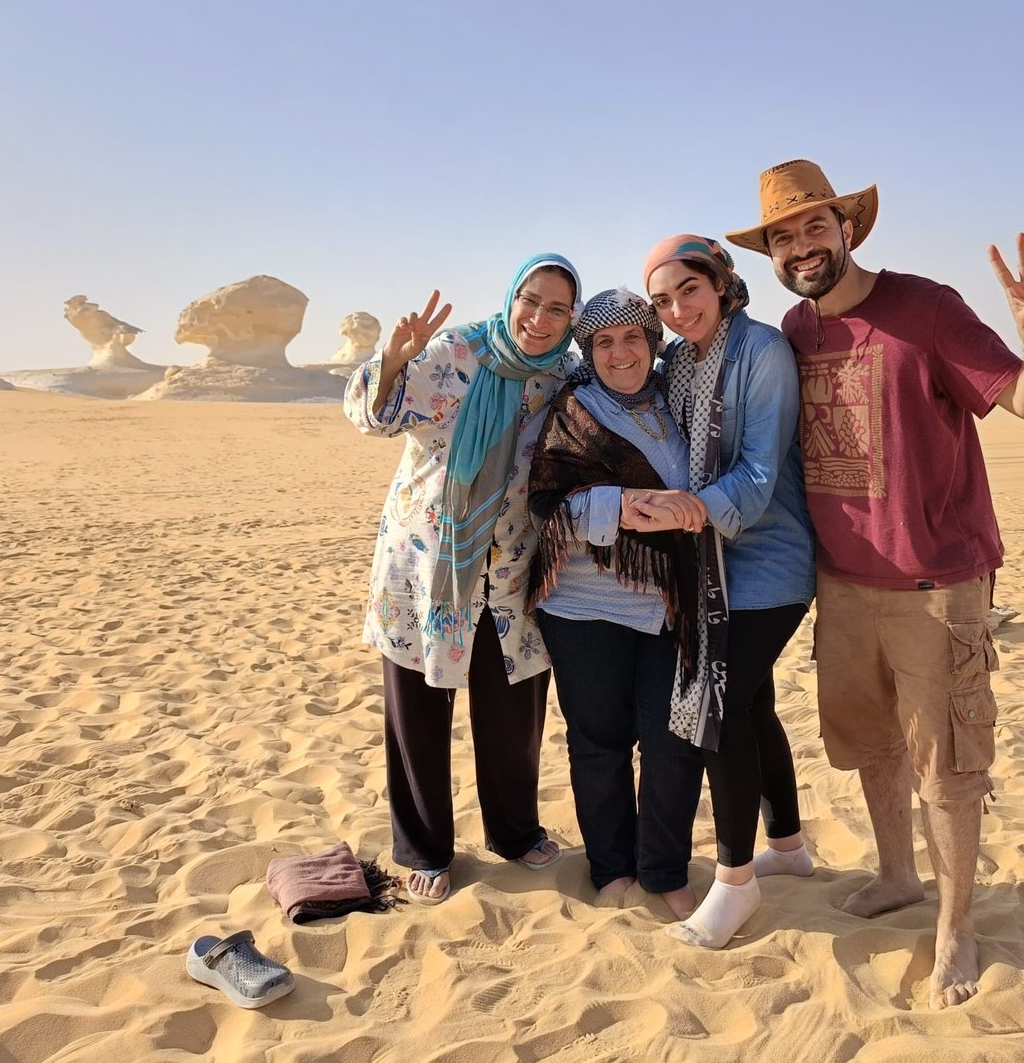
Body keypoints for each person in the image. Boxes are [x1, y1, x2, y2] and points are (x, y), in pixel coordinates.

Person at [727, 159, 1024, 1008]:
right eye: (782, 237)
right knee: (872, 743)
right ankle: (896, 874)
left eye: (815, 226)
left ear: (847, 228)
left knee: (947, 765)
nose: (801, 246)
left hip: (937, 584)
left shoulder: (927, 308)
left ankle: (957, 925)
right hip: (840, 584)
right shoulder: (794, 331)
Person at [342, 254, 582, 905]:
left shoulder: (563, 373)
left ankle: (514, 831)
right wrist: (392, 360)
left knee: (515, 710)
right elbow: (372, 417)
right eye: (531, 300)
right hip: (428, 565)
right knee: (416, 711)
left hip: (512, 569)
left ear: (571, 319)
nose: (540, 318)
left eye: (558, 309)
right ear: (512, 298)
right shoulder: (455, 352)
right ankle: (423, 847)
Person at [637, 235, 817, 949]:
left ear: (720, 283)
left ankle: (736, 881)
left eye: (690, 290)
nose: (679, 310)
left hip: (769, 558)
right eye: (662, 301)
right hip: (707, 558)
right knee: (753, 704)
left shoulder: (762, 351)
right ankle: (789, 846)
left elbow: (759, 472)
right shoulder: (678, 362)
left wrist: (686, 509)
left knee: (722, 706)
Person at [526, 289, 708, 919]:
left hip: (666, 604)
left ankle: (664, 870)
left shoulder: (679, 402)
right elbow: (546, 502)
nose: (619, 352)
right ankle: (611, 868)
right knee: (599, 744)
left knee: (672, 739)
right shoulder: (573, 409)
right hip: (582, 607)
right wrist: (622, 506)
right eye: (603, 342)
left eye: (632, 337)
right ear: (589, 350)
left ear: (653, 342)